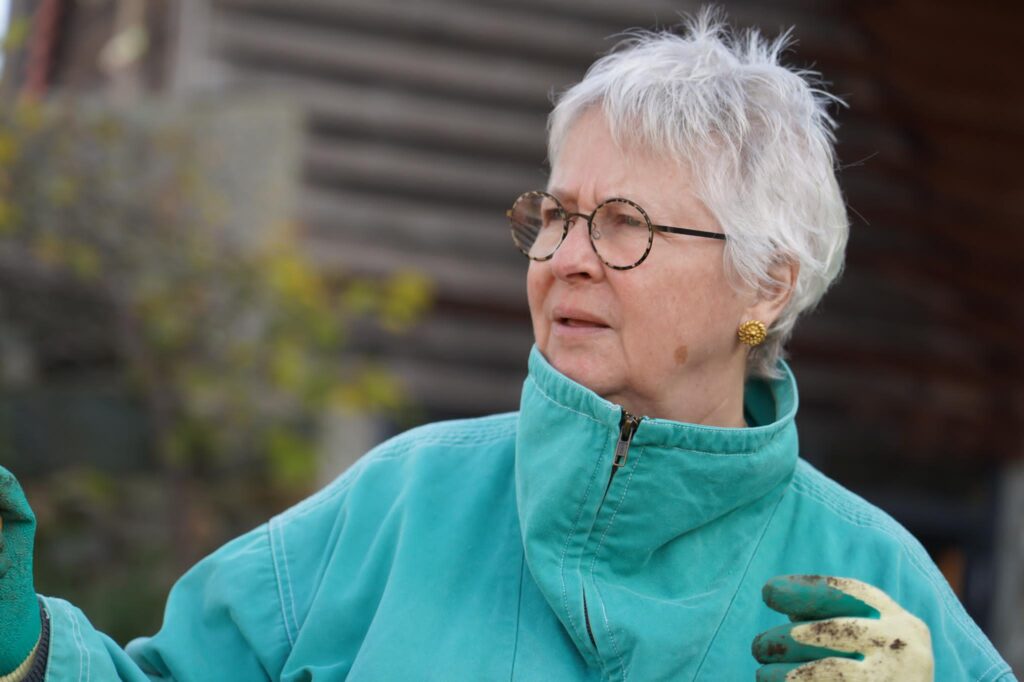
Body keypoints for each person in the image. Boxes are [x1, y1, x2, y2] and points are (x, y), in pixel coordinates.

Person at [0, 11, 1015, 682]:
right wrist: (22, 646)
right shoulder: (405, 503)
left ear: (766, 282)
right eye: (556, 215)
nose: (566, 258)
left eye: (625, 225)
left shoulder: (874, 581)